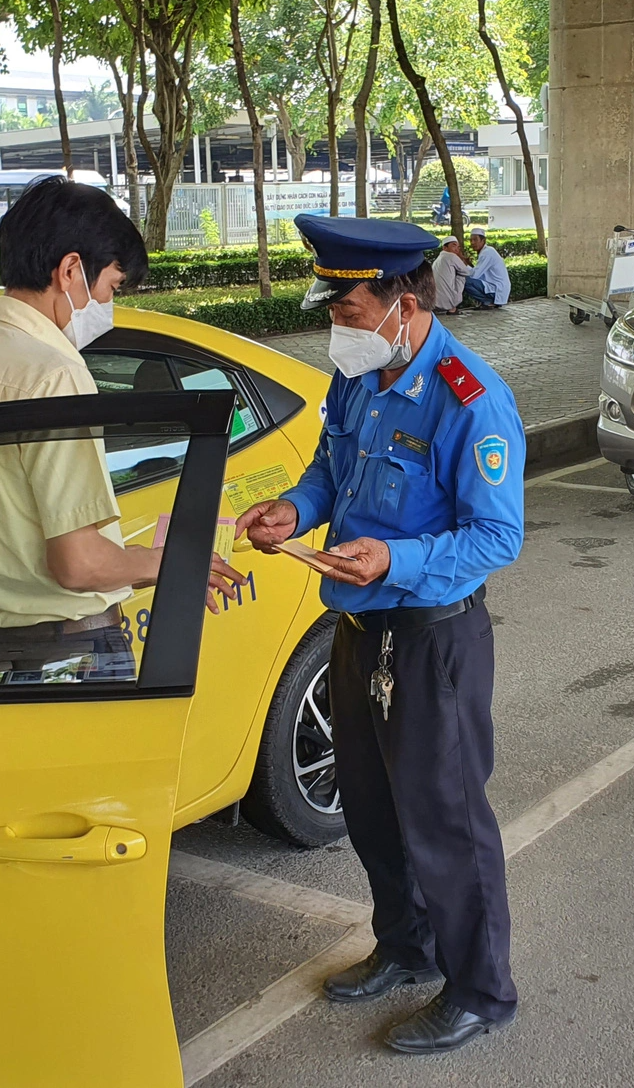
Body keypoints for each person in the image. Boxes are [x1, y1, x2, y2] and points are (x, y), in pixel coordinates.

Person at [235, 214, 525, 1054]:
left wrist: (395, 558)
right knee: (371, 808)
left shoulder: (471, 396)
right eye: (332, 307)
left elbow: (497, 535)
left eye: (350, 308)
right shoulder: (356, 376)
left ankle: (481, 988)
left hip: (433, 641)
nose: (338, 324)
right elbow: (332, 467)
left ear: (405, 300)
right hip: (358, 629)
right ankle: (407, 945)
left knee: (446, 821)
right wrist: (298, 506)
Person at [0, 177, 239, 681]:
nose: (109, 305)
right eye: (111, 286)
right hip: (70, 654)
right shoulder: (55, 374)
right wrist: (169, 562)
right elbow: (78, 564)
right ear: (70, 270)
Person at [463, 227, 509, 307]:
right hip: (495, 287)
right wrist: (469, 264)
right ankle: (489, 302)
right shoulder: (486, 251)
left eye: (475, 240)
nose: (472, 243)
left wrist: (463, 265)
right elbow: (479, 273)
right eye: (471, 240)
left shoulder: (487, 253)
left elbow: (475, 275)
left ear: (483, 241)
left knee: (464, 281)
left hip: (497, 289)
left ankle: (488, 302)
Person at [431, 235, 472, 312]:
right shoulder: (451, 256)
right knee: (462, 275)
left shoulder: (437, 260)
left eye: (458, 247)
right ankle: (452, 308)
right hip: (450, 301)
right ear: (445, 248)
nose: (457, 249)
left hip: (435, 302)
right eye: (454, 245)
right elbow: (467, 272)